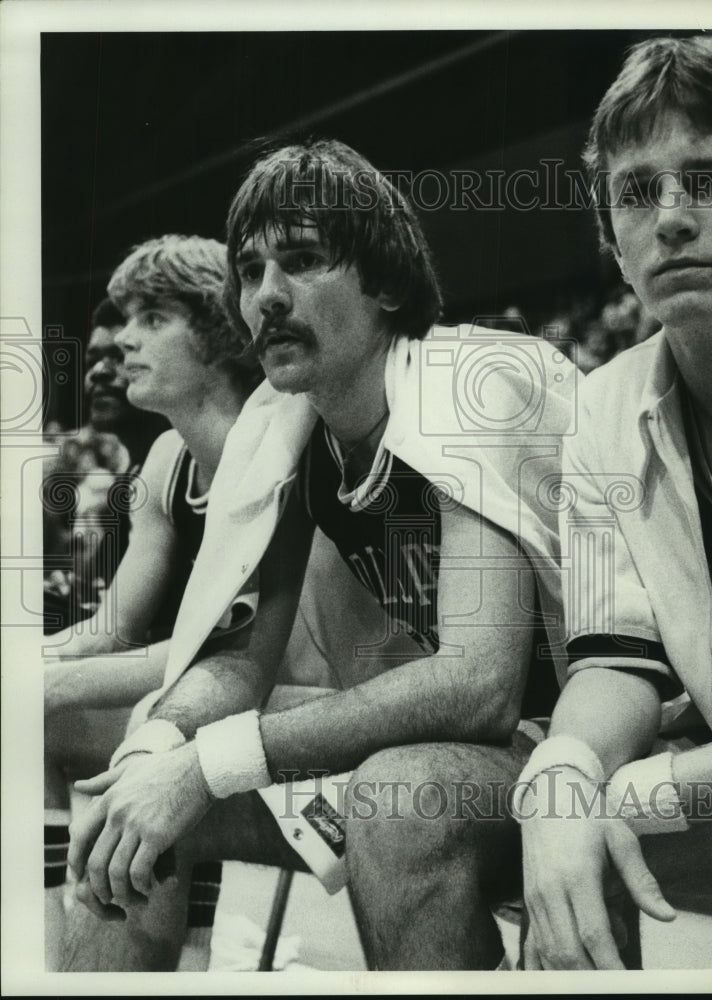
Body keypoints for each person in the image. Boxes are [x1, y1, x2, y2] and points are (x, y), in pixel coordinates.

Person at [64, 137, 576, 971]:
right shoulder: (286, 422)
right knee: (137, 789)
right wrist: (157, 757)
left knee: (397, 800)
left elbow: (480, 686)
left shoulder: (468, 381)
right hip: (479, 737)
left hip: (615, 728)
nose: (265, 296)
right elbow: (238, 664)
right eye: (251, 270)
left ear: (385, 284)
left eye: (301, 261)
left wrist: (210, 762)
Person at [517, 34, 712, 970]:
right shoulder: (603, 402)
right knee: (560, 836)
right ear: (608, 231)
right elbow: (618, 659)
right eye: (638, 192)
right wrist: (563, 775)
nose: (672, 218)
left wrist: (627, 794)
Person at [44, 234, 261, 969]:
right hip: (211, 685)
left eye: (152, 318)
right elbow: (112, 628)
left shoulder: (278, 442)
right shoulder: (167, 456)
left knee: (106, 716)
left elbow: (243, 655)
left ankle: (167, 952)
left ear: (221, 329)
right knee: (41, 706)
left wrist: (49, 680)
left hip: (290, 688)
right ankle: (56, 927)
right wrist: (34, 659)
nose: (123, 340)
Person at [42, 297, 168, 633]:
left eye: (119, 356)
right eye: (92, 359)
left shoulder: (178, 474)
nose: (98, 373)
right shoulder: (129, 482)